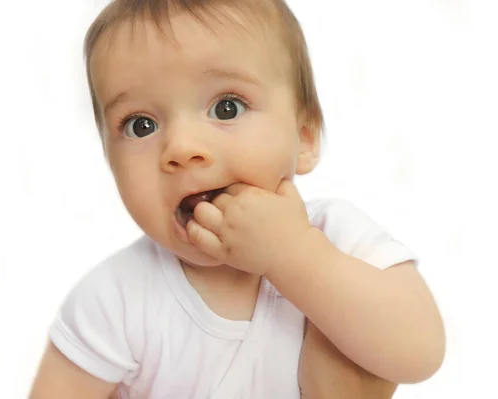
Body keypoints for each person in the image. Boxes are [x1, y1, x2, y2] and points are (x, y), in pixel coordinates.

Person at [30, 0, 445, 397]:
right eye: (140, 126)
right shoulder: (114, 299)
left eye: (227, 107)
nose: (181, 147)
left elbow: (420, 353)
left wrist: (293, 254)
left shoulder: (336, 236)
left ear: (304, 136)